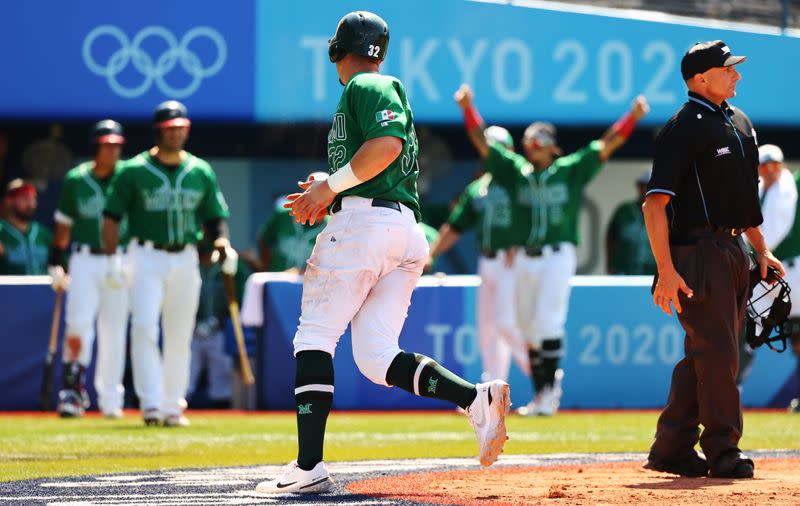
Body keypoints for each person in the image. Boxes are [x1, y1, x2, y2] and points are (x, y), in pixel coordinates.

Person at [255, 11, 510, 495]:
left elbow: (387, 146)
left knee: (315, 335)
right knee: (375, 357)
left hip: (367, 226)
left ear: (338, 49)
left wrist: (331, 186)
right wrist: (329, 186)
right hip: (401, 229)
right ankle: (475, 398)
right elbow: (375, 161)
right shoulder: (371, 90)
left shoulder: (366, 86)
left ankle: (309, 468)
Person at [454, 84, 648, 416]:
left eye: (537, 140)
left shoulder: (569, 170)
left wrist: (632, 116)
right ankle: (541, 394)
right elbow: (482, 142)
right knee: (527, 328)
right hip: (525, 258)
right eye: (529, 140)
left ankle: (548, 393)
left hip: (557, 255)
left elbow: (606, 145)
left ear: (551, 147)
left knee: (548, 324)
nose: (531, 146)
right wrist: (468, 109)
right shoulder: (518, 173)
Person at [642, 40, 783, 479]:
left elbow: (744, 202)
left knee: (704, 353)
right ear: (701, 77)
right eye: (728, 69)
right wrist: (666, 270)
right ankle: (723, 449)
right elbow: (654, 206)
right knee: (721, 352)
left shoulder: (739, 123)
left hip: (733, 249)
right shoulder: (682, 126)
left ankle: (671, 447)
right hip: (696, 252)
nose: (737, 75)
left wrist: (761, 248)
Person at [102, 100, 237, 427]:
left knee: (180, 332)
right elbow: (111, 218)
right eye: (169, 128)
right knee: (145, 326)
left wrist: (222, 242)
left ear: (187, 129)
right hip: (145, 254)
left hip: (185, 256)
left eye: (181, 128)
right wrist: (112, 259)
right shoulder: (133, 170)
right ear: (158, 130)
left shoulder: (200, 170)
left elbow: (215, 216)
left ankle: (172, 405)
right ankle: (149, 403)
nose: (176, 133)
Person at [429, 126, 530, 383]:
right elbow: (455, 226)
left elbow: (537, 217)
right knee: (488, 329)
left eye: (498, 148)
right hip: (487, 259)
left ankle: (544, 377)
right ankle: (491, 390)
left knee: (507, 323)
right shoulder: (478, 188)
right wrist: (430, 254)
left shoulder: (522, 181)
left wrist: (521, 242)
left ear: (509, 152)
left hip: (513, 261)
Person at [49, 120, 129, 418]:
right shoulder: (76, 179)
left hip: (119, 257)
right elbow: (63, 226)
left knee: (114, 331)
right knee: (78, 325)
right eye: (106, 145)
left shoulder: (127, 176)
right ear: (96, 147)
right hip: (83, 258)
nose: (112, 151)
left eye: (116, 145)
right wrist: (56, 263)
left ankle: (111, 399)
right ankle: (72, 391)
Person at [736, 144, 797, 389]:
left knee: (797, 335)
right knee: (747, 327)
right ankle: (734, 388)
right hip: (766, 276)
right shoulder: (754, 191)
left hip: (791, 271)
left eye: (775, 165)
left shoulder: (790, 187)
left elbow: (770, 236)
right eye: (764, 165)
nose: (770, 171)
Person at [187, 237, 250, 409]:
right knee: (186, 375)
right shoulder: (188, 263)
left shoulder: (228, 264)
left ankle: (221, 411)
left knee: (221, 377)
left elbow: (241, 296)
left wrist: (222, 318)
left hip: (219, 328)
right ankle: (180, 408)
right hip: (190, 328)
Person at [253, 172, 330, 273]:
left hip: (310, 284)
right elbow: (264, 238)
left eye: (323, 196)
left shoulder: (333, 223)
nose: (317, 201)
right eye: (313, 193)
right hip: (276, 280)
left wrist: (300, 272)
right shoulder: (284, 215)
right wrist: (266, 267)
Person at [606, 170, 658, 275]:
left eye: (651, 186)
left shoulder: (667, 212)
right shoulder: (624, 210)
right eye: (644, 185)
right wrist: (610, 264)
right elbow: (611, 238)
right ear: (638, 186)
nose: (647, 189)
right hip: (623, 271)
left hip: (654, 273)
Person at [0, 179, 51, 274]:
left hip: (42, 288)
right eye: (25, 198)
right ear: (9, 200)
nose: (31, 204)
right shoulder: (2, 231)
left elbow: (62, 263)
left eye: (34, 198)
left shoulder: (43, 233)